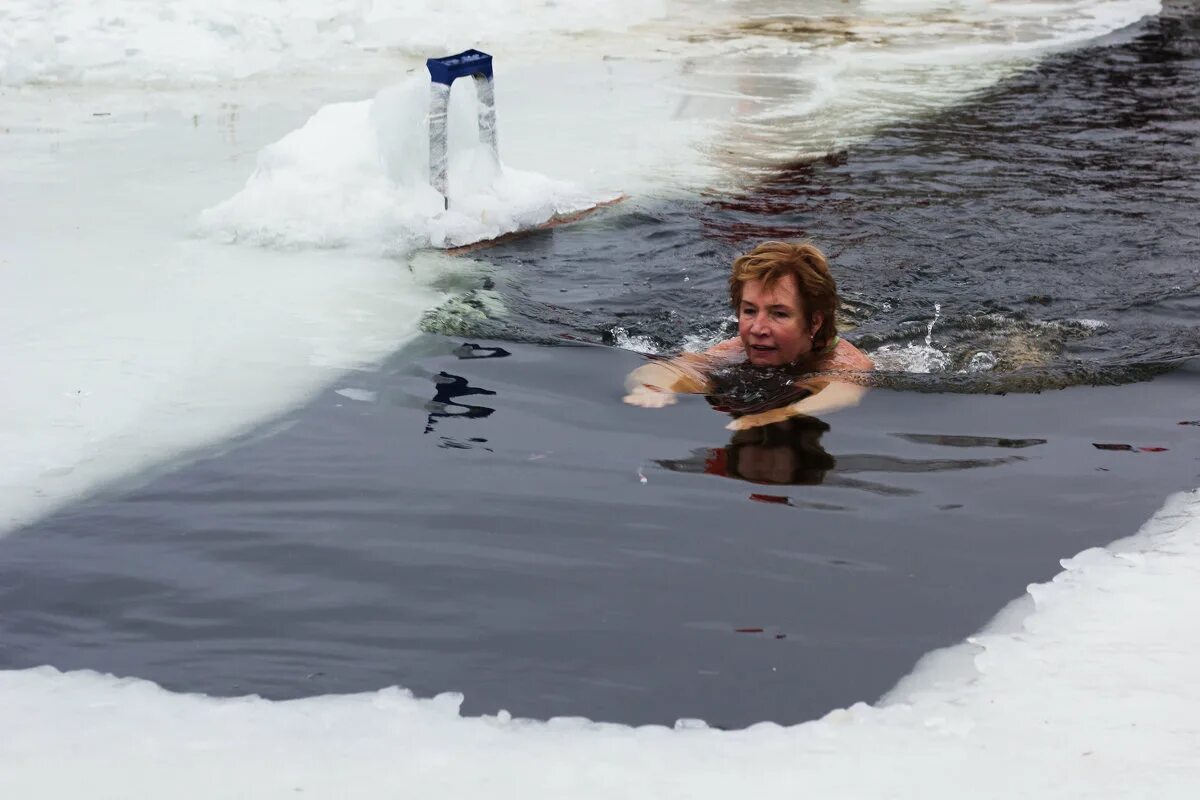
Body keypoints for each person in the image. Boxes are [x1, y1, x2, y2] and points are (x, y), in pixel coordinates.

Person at [623, 241, 873, 429]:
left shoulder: (844, 361)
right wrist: (655, 388)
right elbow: (674, 369)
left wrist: (776, 416)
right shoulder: (734, 349)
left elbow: (842, 394)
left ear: (815, 322)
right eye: (750, 311)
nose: (757, 329)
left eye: (779, 314)